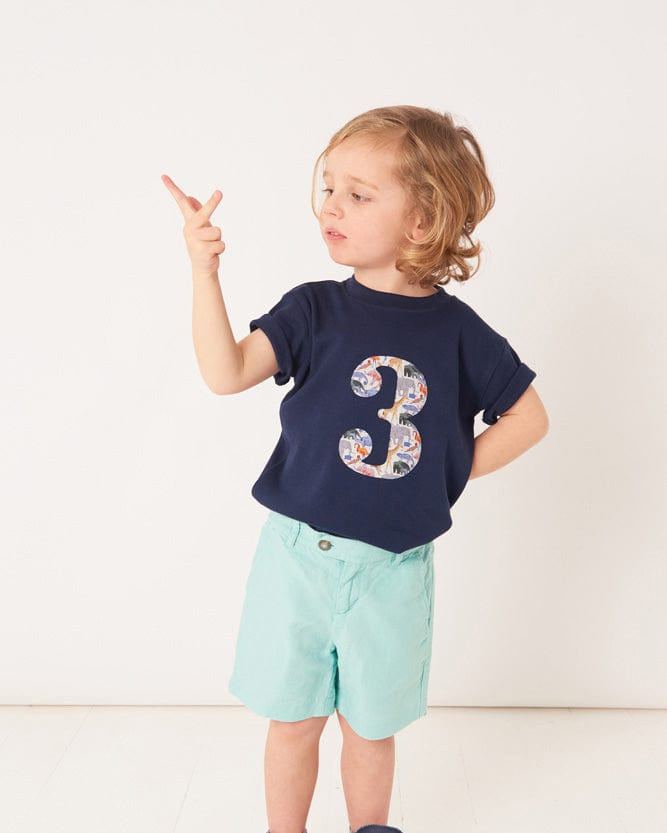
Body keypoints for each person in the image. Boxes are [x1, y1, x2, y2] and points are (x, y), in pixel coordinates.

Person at [162, 104, 549, 833]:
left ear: (422, 221)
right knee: (293, 719)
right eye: (328, 187)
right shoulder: (312, 310)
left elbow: (529, 419)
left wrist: (443, 471)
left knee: (371, 727)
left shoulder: (459, 333)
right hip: (296, 561)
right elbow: (226, 371)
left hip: (391, 571)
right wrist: (204, 272)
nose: (330, 206)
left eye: (358, 194)